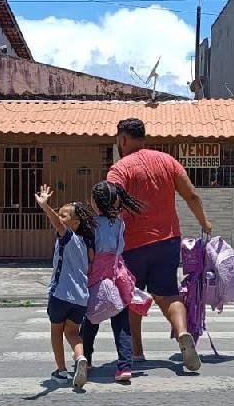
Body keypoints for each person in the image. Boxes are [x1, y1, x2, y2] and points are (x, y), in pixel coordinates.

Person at [107, 117, 212, 372]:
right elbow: (192, 195)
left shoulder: (120, 169)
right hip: (167, 241)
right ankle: (183, 333)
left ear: (122, 139)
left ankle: (137, 352)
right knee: (168, 295)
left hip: (133, 244)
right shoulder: (168, 161)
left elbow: (109, 201)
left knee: (132, 297)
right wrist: (205, 223)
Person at [79, 180, 142, 386]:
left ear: (95, 202)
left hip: (95, 278)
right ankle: (125, 367)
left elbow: (88, 251)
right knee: (121, 323)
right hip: (116, 277)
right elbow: (120, 247)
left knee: (90, 320)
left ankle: (85, 359)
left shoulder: (90, 224)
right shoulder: (120, 223)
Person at [34, 184, 95, 385]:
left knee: (56, 333)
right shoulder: (86, 243)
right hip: (80, 298)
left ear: (76, 222)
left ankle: (61, 370)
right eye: (59, 214)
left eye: (64, 216)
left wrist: (45, 206)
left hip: (60, 294)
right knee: (73, 333)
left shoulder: (68, 236)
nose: (60, 218)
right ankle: (81, 358)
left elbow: (58, 225)